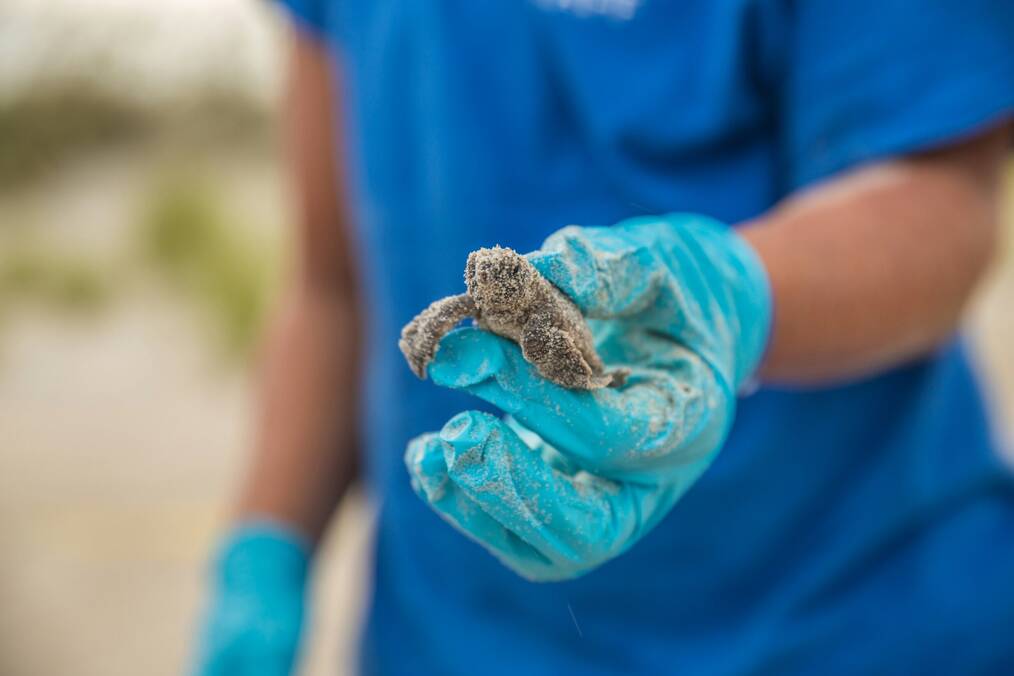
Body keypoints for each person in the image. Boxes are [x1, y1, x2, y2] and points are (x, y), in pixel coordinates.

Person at [192, 1, 1014, 674]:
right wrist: (268, 548)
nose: (483, 279)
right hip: (455, 635)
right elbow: (333, 286)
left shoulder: (539, 297)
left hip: (843, 611)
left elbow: (946, 197)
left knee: (584, 376)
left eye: (493, 276)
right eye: (484, 277)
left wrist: (726, 291)